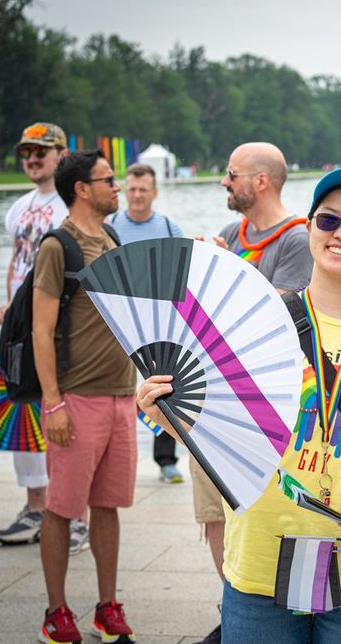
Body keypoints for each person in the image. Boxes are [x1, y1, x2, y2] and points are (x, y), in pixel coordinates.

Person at [138, 167, 341, 644]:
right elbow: (219, 435)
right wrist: (165, 416)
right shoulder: (253, 324)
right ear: (308, 227)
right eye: (329, 220)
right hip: (260, 561)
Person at [190, 142, 313, 644]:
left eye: (231, 173)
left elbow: (284, 316)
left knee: (257, 512)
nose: (224, 181)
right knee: (213, 516)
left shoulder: (298, 239)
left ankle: (267, 611)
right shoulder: (227, 234)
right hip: (211, 398)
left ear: (261, 181)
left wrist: (228, 271)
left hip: (262, 405)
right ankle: (233, 604)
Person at [34, 150, 137, 644]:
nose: (116, 186)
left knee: (108, 505)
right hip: (75, 399)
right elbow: (40, 330)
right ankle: (56, 611)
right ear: (81, 188)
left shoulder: (112, 237)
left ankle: (106, 606)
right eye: (108, 179)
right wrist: (52, 402)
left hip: (121, 395)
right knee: (61, 507)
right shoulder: (59, 247)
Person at [0, 122, 92, 553]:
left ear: (61, 155)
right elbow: (17, 262)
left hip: (58, 328)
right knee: (25, 415)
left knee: (67, 418)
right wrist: (8, 305)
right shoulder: (17, 208)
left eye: (42, 151)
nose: (33, 158)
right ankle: (36, 506)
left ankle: (76, 516)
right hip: (21, 327)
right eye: (26, 152)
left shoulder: (68, 206)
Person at [109, 162, 186, 485]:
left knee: (164, 391)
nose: (137, 195)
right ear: (125, 191)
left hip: (159, 326)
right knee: (115, 393)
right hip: (117, 325)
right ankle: (113, 457)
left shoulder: (170, 229)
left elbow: (183, 278)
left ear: (154, 192)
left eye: (143, 190)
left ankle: (166, 460)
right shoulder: (108, 227)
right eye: (132, 189)